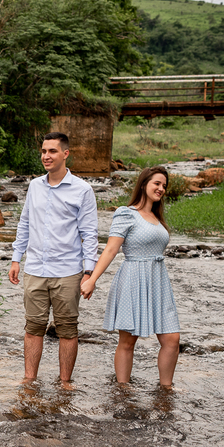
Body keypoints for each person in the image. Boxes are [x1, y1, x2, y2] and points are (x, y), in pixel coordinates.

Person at [8, 132, 99, 386]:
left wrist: (89, 272)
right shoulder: (35, 186)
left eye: (52, 151)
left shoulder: (83, 190)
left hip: (68, 271)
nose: (46, 156)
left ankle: (65, 383)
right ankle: (29, 381)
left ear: (65, 154)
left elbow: (89, 234)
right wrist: (17, 258)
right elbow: (24, 223)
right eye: (44, 151)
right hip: (35, 269)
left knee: (67, 330)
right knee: (33, 327)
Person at [80, 166, 180, 388]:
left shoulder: (156, 216)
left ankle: (166, 389)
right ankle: (122, 389)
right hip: (133, 279)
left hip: (158, 281)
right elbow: (110, 250)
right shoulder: (126, 213)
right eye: (157, 183)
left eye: (164, 185)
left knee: (172, 340)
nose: (161, 188)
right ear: (144, 184)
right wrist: (92, 279)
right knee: (127, 341)